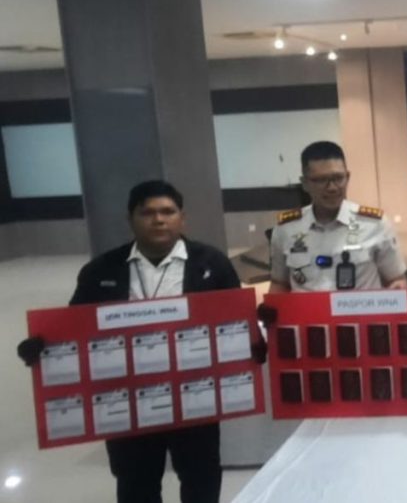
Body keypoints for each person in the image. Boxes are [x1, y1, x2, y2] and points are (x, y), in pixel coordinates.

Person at [16, 180, 243, 503]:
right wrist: (42, 344)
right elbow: (73, 327)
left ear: (182, 218)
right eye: (147, 213)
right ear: (130, 219)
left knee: (201, 477)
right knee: (136, 483)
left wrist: (254, 343)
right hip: (126, 400)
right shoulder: (100, 270)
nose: (158, 220)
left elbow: (237, 321)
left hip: (194, 395)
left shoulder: (212, 264)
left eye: (168, 211)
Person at [267, 141, 407, 294]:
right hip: (307, 310)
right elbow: (279, 284)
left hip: (359, 309)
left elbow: (396, 279)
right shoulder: (286, 229)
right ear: (305, 183)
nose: (332, 187)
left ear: (348, 177)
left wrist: (398, 288)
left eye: (338, 178)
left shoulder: (374, 225)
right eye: (321, 180)